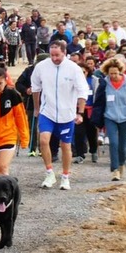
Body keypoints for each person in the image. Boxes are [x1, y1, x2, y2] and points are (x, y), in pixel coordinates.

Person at [31, 40, 90, 190]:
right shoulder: (41, 67)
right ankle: (49, 172)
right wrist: (37, 108)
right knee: (44, 140)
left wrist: (80, 112)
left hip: (66, 114)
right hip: (47, 111)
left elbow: (82, 91)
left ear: (64, 52)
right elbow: (36, 88)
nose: (55, 58)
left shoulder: (73, 69)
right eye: (52, 55)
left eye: (57, 55)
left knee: (65, 145)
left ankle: (65, 176)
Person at [91, 57, 126, 181]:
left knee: (123, 147)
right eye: (110, 73)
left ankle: (121, 163)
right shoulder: (104, 83)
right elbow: (99, 103)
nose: (113, 76)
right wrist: (97, 120)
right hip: (110, 117)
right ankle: (115, 170)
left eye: (115, 73)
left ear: (120, 71)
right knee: (113, 143)